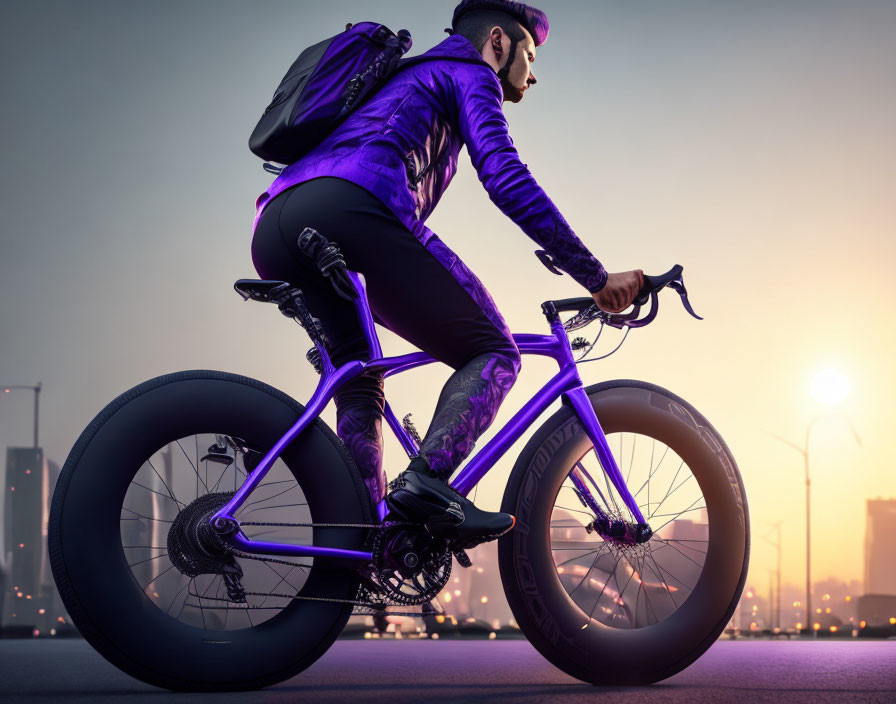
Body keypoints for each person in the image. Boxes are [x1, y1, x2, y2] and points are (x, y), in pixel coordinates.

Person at [250, 0, 644, 550]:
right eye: (529, 55)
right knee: (495, 351)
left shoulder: (404, 79)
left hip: (275, 222)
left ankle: (364, 545)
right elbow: (506, 177)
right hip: (357, 207)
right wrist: (595, 278)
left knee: (360, 382)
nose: (534, 73)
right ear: (499, 44)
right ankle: (427, 486)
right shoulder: (468, 74)